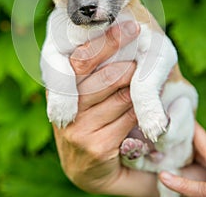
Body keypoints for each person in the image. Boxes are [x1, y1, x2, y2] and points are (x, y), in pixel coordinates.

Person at [52, 21, 206, 197]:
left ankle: (155, 141)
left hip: (168, 142)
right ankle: (142, 154)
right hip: (152, 156)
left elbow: (163, 52)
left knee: (179, 108)